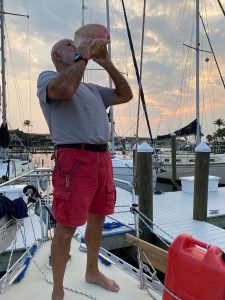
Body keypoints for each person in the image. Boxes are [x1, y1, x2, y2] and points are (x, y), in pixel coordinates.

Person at [37, 29, 133, 300]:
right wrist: (84, 57)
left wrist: (107, 64)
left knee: (99, 216)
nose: (76, 45)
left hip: (102, 158)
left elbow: (125, 95)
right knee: (66, 227)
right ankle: (58, 290)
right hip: (74, 159)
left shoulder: (91, 89)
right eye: (70, 45)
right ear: (58, 55)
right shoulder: (48, 78)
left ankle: (92, 270)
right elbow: (65, 89)